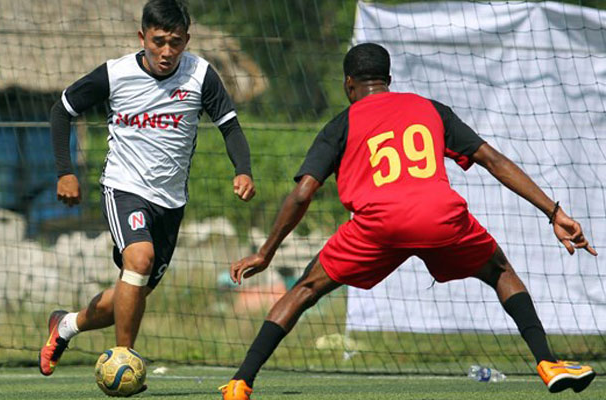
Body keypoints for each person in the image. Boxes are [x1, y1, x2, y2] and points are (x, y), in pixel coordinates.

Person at [220, 43, 597, 400]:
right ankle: (548, 363)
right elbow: (493, 160)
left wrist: (266, 253)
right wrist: (554, 212)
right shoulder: (429, 109)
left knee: (305, 288)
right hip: (440, 218)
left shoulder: (341, 124)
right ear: (388, 79)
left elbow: (302, 194)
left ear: (348, 84)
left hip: (377, 226)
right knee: (500, 272)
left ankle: (241, 382)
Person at [39, 0, 255, 383]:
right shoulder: (115, 73)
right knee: (139, 260)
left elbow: (230, 126)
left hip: (170, 202)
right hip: (124, 187)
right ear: (143, 37)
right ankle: (125, 365)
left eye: (176, 42)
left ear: (187, 40)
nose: (167, 52)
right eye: (158, 42)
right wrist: (65, 172)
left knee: (132, 293)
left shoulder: (201, 75)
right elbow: (63, 110)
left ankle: (66, 325)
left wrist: (243, 170)